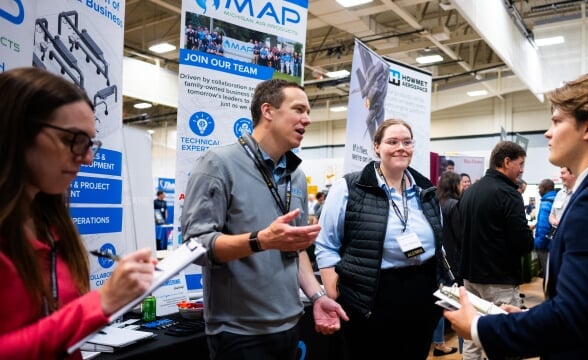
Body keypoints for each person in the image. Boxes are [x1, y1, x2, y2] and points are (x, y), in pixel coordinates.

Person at [445, 73, 588, 359]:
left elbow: (571, 319)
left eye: (557, 121)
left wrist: (479, 327)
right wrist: (527, 318)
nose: (548, 133)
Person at [181, 79, 347, 359]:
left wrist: (317, 297)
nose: (307, 119)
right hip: (238, 333)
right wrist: (261, 241)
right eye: (298, 110)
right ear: (268, 111)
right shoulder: (217, 164)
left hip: (290, 324)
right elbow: (196, 246)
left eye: (308, 112)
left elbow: (295, 249)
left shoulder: (295, 175)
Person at [0, 67, 158, 359]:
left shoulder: (52, 227)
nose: (86, 158)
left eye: (90, 143)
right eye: (73, 139)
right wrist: (100, 303)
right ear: (17, 128)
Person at [314, 119, 446, 360]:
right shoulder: (350, 187)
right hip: (372, 296)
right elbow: (325, 243)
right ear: (376, 147)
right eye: (392, 142)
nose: (401, 148)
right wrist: (333, 289)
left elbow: (439, 242)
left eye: (407, 142)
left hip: (422, 294)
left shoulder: (425, 190)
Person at [458, 140, 534, 360]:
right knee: (503, 341)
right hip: (498, 280)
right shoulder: (509, 193)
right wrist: (528, 236)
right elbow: (522, 242)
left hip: (470, 277)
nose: (521, 170)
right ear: (506, 161)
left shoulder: (471, 192)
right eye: (520, 164)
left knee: (473, 338)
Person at [431, 171, 463, 356]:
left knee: (439, 303)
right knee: (453, 306)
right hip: (452, 263)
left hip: (436, 261)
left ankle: (439, 342)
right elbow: (460, 237)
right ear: (455, 185)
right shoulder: (454, 205)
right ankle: (457, 348)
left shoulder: (435, 203)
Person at [533, 178, 557, 283]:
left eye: (539, 188)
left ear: (544, 188)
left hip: (545, 246)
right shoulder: (557, 199)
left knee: (547, 277)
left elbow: (544, 228)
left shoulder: (545, 203)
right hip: (554, 244)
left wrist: (537, 244)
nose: (538, 190)